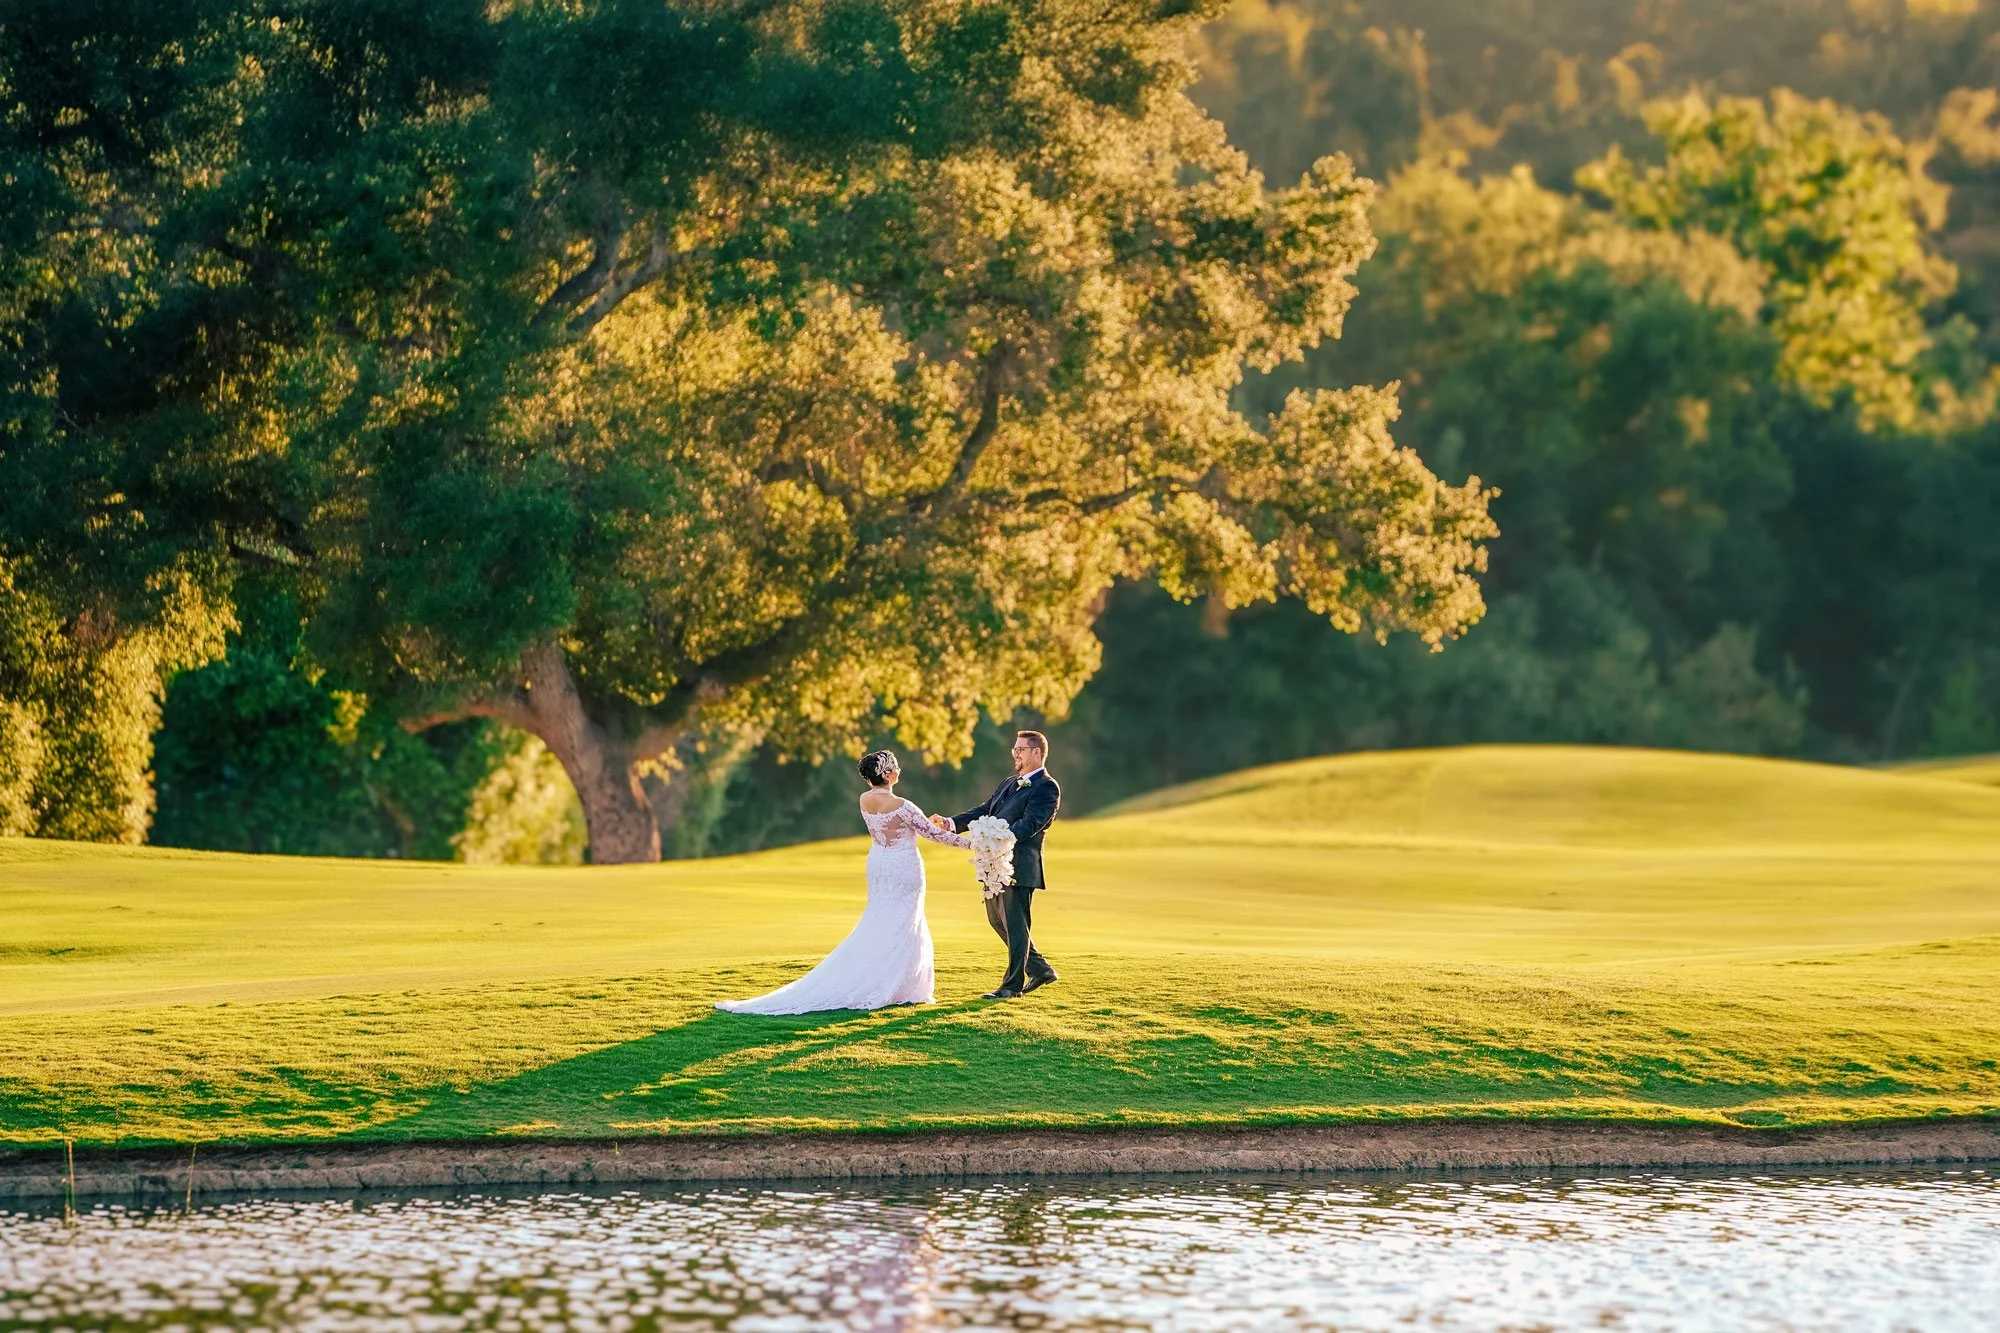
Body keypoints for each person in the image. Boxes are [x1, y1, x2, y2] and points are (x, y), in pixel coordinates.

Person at [716, 749, 969, 1015]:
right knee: (903, 921)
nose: (899, 770)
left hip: (878, 863)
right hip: (903, 866)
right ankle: (894, 985)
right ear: (887, 774)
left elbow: (902, 827)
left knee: (881, 918)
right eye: (895, 767)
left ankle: (894, 983)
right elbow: (934, 835)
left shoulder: (865, 799)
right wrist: (973, 844)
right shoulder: (902, 805)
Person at [935, 730, 1060, 999]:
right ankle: (1040, 969)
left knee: (1015, 926)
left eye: (1021, 749)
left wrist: (994, 838)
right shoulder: (1009, 782)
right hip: (993, 865)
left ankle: (1011, 987)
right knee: (996, 920)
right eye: (1014, 749)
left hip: (1019, 866)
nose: (1015, 753)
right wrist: (952, 823)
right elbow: (984, 810)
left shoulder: (1047, 787)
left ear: (1036, 752)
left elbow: (1032, 824)